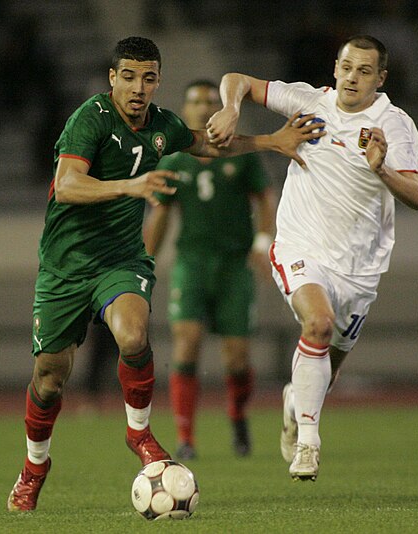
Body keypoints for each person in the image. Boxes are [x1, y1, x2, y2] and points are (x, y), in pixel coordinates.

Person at [7, 36, 322, 512]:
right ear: (113, 78)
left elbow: (208, 147)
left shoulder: (162, 126)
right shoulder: (89, 119)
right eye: (128, 77)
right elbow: (68, 185)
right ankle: (34, 468)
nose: (138, 87)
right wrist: (131, 186)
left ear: (157, 81)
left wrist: (271, 142)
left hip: (120, 261)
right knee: (50, 378)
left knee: (133, 335)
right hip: (65, 267)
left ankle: (140, 435)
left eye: (148, 78)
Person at [207, 34, 418, 481]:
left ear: (380, 78)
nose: (352, 77)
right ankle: (308, 444)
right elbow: (237, 80)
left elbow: (416, 196)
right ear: (335, 68)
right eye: (346, 67)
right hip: (300, 246)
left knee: (329, 366)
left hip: (360, 268)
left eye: (364, 71)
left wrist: (380, 167)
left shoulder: (395, 125)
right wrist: (230, 107)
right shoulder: (309, 103)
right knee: (319, 324)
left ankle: (296, 401)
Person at [144, 80, 276, 460]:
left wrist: (263, 241)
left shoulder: (241, 154)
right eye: (195, 102)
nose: (202, 108)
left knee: (236, 356)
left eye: (209, 101)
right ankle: (186, 437)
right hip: (192, 263)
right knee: (186, 342)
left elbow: (265, 197)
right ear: (185, 112)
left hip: (235, 265)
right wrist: (145, 260)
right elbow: (161, 215)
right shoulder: (174, 160)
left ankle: (237, 417)